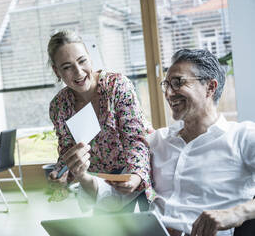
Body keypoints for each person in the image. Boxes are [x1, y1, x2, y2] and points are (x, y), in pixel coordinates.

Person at [75, 49, 255, 236]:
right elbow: (114, 199)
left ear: (210, 87)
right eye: (166, 85)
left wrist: (235, 214)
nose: (169, 93)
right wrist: (82, 176)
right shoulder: (155, 141)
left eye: (178, 83)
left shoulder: (242, 137)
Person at [47, 29, 155, 208]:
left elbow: (135, 140)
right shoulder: (59, 106)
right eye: (67, 67)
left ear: (89, 57)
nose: (79, 72)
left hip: (135, 171)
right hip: (99, 183)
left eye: (82, 61)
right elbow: (68, 151)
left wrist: (136, 176)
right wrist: (61, 173)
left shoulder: (116, 86)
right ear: (56, 71)